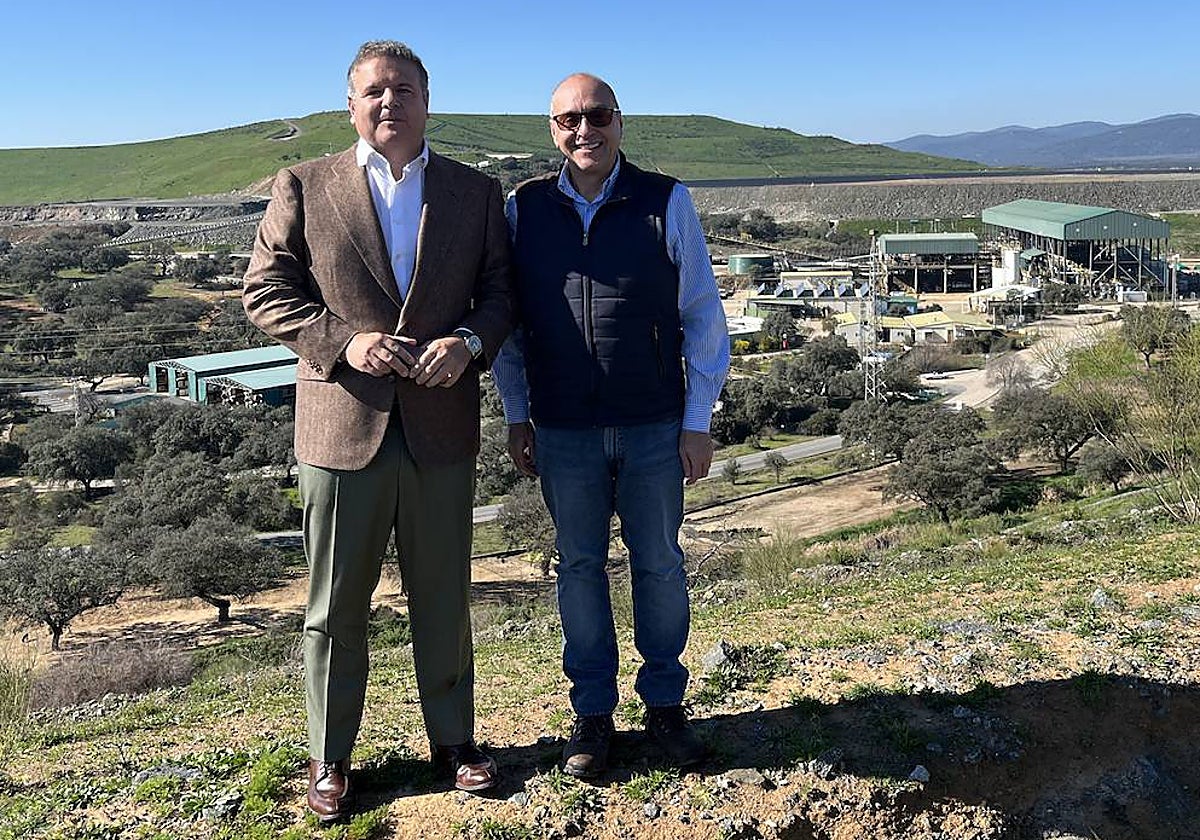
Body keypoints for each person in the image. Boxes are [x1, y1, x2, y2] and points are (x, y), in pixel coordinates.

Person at [243, 40, 512, 822]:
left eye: (403, 89)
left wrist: (467, 344)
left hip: (440, 426)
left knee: (443, 596)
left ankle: (455, 744)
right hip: (340, 428)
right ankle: (330, 759)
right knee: (334, 605)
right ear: (350, 106)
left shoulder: (475, 191)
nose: (388, 102)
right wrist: (341, 341)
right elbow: (265, 292)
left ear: (428, 101)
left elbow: (501, 296)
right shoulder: (304, 183)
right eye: (373, 91)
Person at [492, 73, 730, 778]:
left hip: (655, 424)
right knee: (579, 570)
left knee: (659, 566)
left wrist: (697, 420)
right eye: (568, 119)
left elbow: (703, 316)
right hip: (563, 429)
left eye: (597, 115)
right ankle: (592, 718)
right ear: (552, 131)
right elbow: (510, 330)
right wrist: (515, 414)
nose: (583, 130)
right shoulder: (524, 208)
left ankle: (665, 710)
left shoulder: (665, 200)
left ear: (620, 122)